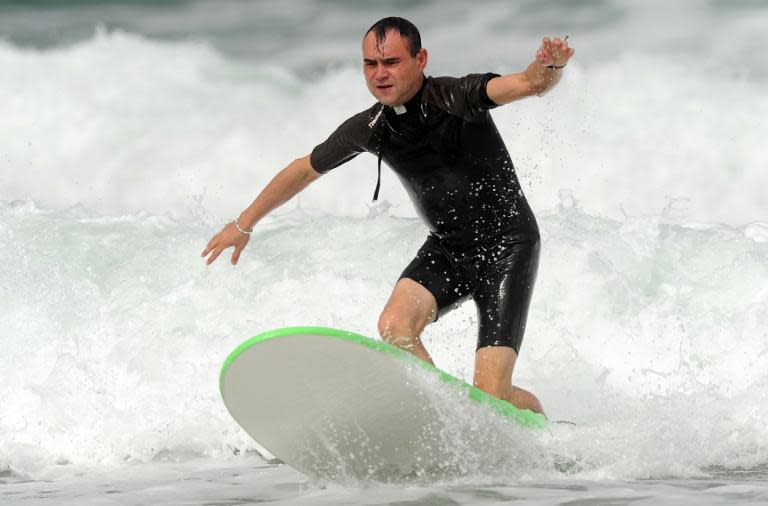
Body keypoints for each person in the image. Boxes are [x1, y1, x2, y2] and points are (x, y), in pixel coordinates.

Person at [202, 17, 574, 415]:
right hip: (449, 248)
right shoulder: (371, 127)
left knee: (492, 398)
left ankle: (539, 431)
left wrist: (549, 67)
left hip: (506, 247)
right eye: (370, 64)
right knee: (395, 327)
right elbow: (304, 169)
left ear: (420, 59)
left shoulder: (458, 96)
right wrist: (243, 224)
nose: (380, 74)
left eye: (392, 62)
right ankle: (445, 420)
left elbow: (526, 84)